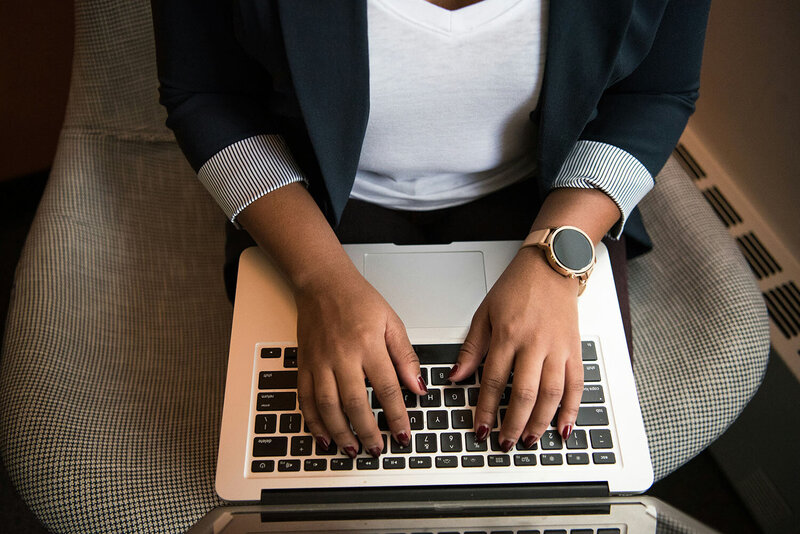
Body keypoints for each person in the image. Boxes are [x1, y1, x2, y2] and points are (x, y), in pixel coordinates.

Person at [152, 0, 710, 460]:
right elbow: (208, 93)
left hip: (549, 187)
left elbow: (655, 93)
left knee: (552, 466)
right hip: (311, 192)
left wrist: (555, 260)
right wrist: (321, 277)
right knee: (322, 462)